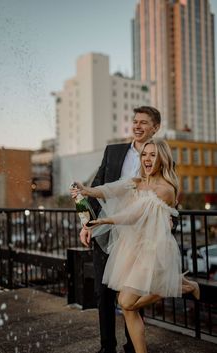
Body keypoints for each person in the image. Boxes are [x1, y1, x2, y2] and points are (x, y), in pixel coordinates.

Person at [72, 138, 200, 353]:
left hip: (152, 247)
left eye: (153, 155)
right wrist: (86, 190)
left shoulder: (165, 189)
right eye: (144, 154)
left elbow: (134, 215)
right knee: (128, 309)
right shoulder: (138, 181)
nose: (147, 159)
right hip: (131, 247)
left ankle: (184, 286)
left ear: (162, 159)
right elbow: (110, 189)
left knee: (126, 301)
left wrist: (104, 221)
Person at [72, 106, 161, 353]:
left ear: (155, 128)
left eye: (144, 122)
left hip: (138, 236)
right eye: (135, 121)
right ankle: (106, 347)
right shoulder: (113, 152)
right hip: (106, 232)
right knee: (103, 293)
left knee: (131, 296)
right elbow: (94, 189)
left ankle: (133, 347)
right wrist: (85, 224)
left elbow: (166, 192)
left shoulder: (159, 155)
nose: (138, 126)